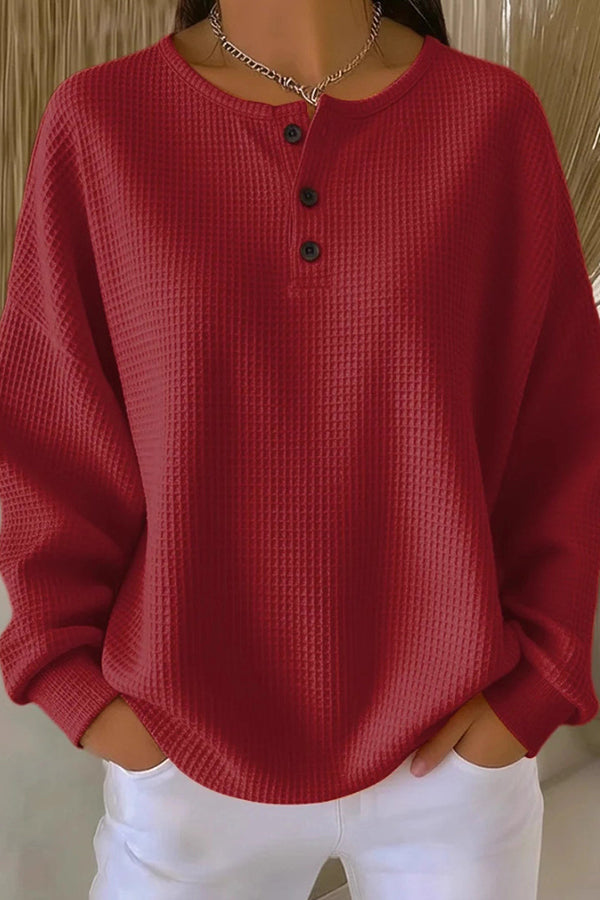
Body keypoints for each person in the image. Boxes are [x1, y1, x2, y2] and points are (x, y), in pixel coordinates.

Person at [1, 1, 599, 898]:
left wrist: (533, 692)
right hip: (184, 763)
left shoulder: (490, 120)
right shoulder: (102, 123)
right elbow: (50, 432)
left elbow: (561, 428)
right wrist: (79, 690)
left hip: (452, 766)